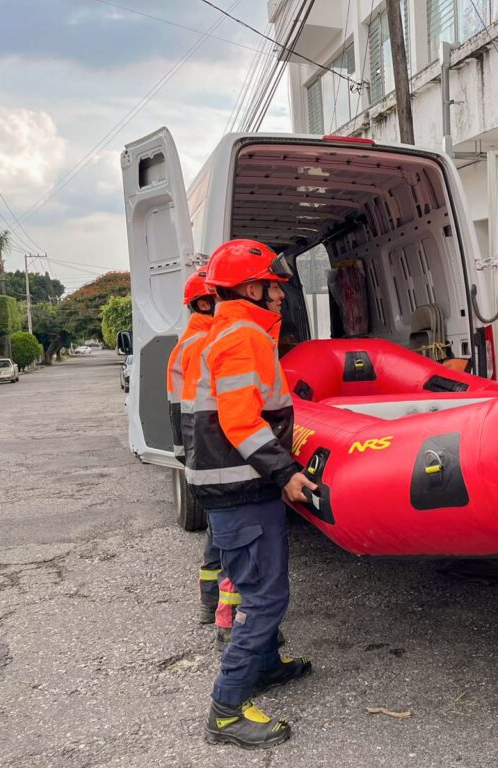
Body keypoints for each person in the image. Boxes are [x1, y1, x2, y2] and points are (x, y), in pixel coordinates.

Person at [181, 239, 318, 748]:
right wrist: (285, 473)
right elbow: (241, 422)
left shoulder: (230, 332)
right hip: (241, 487)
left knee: (258, 586)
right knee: (264, 598)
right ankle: (226, 709)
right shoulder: (242, 337)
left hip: (234, 485)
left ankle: (265, 666)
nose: (280, 295)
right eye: (272, 287)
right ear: (249, 289)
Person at [164, 269, 232, 626]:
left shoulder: (185, 345)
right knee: (231, 537)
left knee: (217, 534)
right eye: (221, 297)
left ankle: (209, 601)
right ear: (205, 303)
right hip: (216, 453)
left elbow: (179, 408)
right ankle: (228, 616)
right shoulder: (209, 343)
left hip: (195, 454)